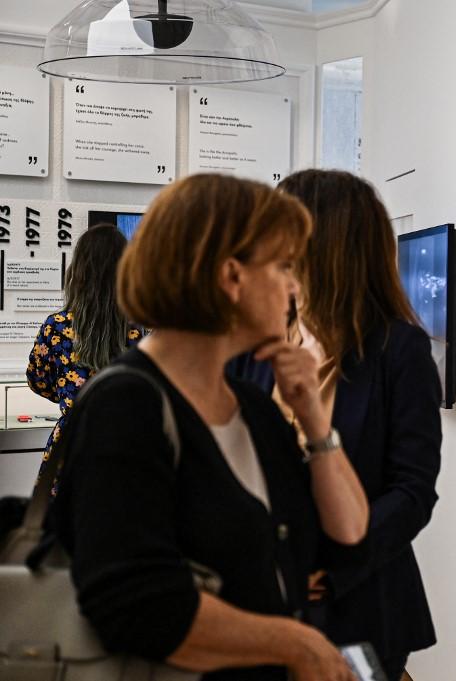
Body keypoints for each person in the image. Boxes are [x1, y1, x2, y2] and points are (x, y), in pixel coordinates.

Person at [51, 174, 370, 681]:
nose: (294, 286)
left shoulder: (253, 406)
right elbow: (135, 603)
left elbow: (348, 530)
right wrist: (295, 643)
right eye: (283, 266)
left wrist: (311, 415)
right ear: (230, 276)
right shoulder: (127, 405)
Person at [229, 169, 442, 681]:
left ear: (322, 246)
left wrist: (335, 566)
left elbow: (412, 491)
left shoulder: (399, 352)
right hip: (261, 596)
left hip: (358, 600)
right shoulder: (254, 346)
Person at [26, 224, 145, 494]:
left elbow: (38, 381)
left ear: (77, 271)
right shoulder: (136, 329)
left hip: (70, 446)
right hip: (125, 446)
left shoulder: (55, 326)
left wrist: (70, 393)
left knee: (62, 530)